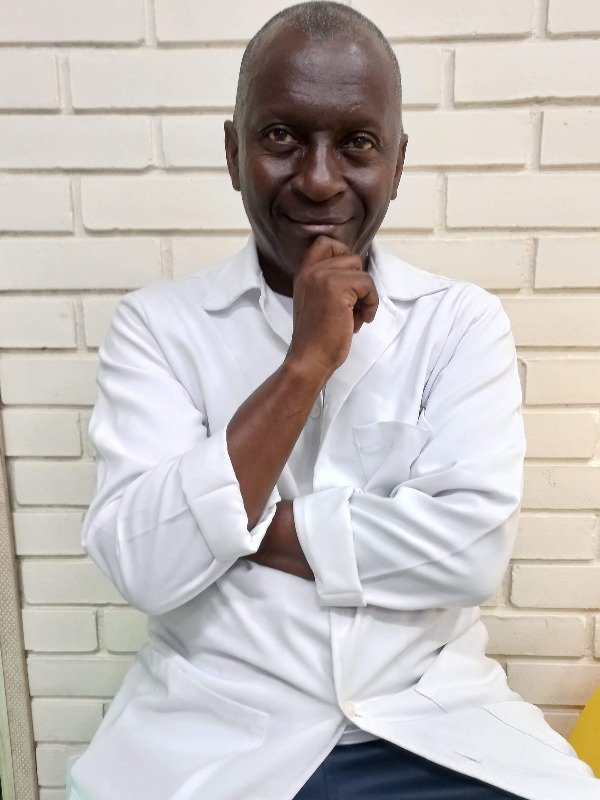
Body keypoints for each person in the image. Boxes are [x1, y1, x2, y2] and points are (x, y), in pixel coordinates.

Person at [69, 3, 600, 799]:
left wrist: (239, 524)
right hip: (220, 730)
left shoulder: (460, 322)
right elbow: (146, 564)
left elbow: (468, 552)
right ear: (232, 152)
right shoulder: (159, 328)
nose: (319, 179)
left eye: (357, 142)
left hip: (426, 722)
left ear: (398, 162)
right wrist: (305, 365)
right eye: (282, 136)